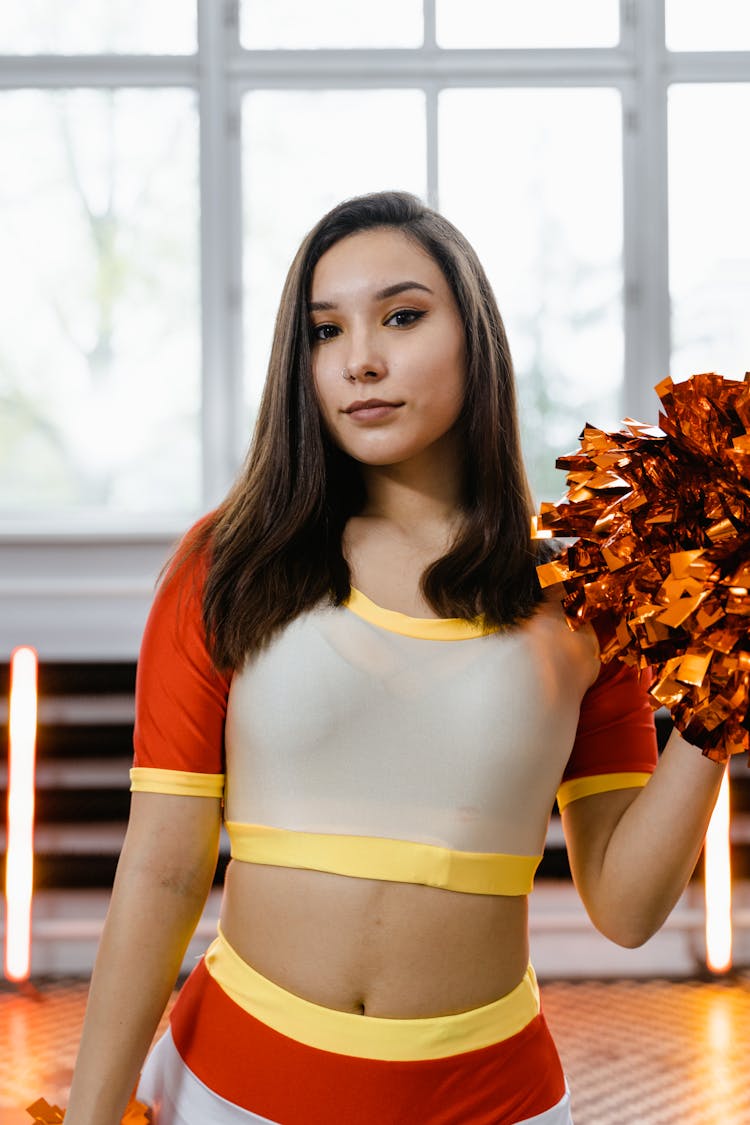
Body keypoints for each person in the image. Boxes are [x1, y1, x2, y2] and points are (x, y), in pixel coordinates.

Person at [65, 191, 726, 1124]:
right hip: (228, 1092)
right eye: (324, 331)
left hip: (494, 1100)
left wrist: (723, 696)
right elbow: (162, 871)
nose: (360, 360)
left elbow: (624, 907)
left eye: (402, 316)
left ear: (475, 337)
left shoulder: (580, 600)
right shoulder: (230, 563)